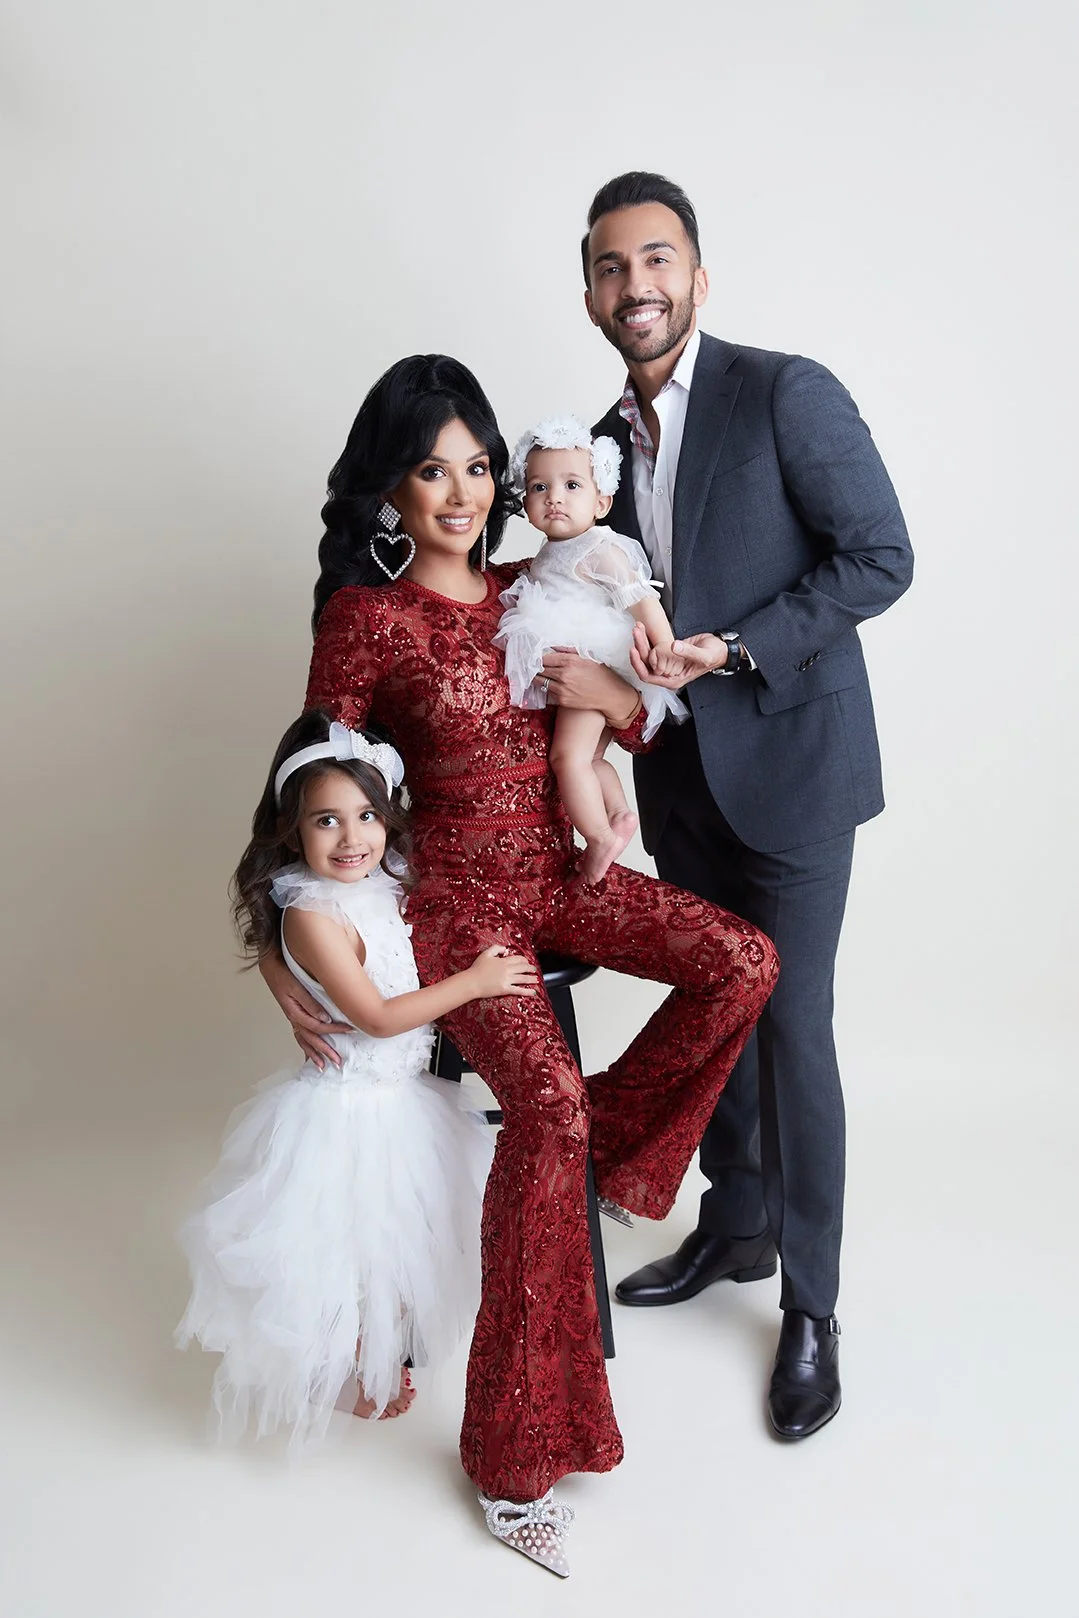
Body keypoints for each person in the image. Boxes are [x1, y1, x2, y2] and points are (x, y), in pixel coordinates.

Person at [258, 353, 779, 1576]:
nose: (460, 492)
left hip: (563, 871)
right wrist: (282, 948)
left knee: (742, 959)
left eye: (477, 467)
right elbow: (310, 788)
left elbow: (635, 711)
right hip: (456, 905)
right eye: (430, 471)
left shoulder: (535, 580)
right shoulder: (366, 621)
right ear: (390, 490)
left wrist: (616, 699)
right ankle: (511, 1460)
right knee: (543, 1115)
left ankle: (606, 1149)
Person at [581, 171, 914, 1439]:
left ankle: (811, 1306)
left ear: (697, 276)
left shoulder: (782, 391)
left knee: (792, 1026)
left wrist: (734, 647)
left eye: (655, 259)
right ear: (591, 293)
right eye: (611, 267)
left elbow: (878, 555)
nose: (636, 285)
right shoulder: (595, 442)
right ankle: (735, 1226)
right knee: (715, 1001)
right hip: (679, 776)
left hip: (793, 764)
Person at [176, 709, 537, 1443]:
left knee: (397, 1242)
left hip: (401, 1100)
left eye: (367, 816)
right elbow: (374, 1017)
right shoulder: (311, 914)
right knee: (346, 1248)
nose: (351, 838)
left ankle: (381, 1352)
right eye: (326, 822)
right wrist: (475, 983)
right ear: (292, 832)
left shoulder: (383, 879)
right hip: (347, 1110)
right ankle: (341, 1371)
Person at [494, 414, 687, 882]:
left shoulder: (599, 549)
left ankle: (598, 838)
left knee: (567, 758)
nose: (554, 497)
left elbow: (641, 600)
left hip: (596, 662)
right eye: (539, 487)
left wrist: (666, 649)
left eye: (572, 485)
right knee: (590, 758)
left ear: (602, 501)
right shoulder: (552, 550)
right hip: (582, 666)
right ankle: (619, 813)